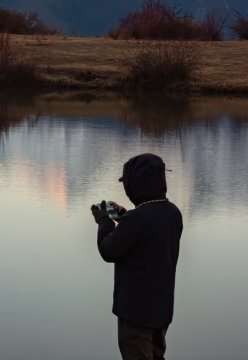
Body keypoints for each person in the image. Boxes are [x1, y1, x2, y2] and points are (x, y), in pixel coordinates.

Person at [91, 153, 183, 360]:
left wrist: (104, 221)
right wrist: (123, 216)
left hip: (135, 313)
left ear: (136, 184)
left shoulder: (137, 220)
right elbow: (148, 233)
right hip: (161, 309)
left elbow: (108, 250)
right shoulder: (172, 213)